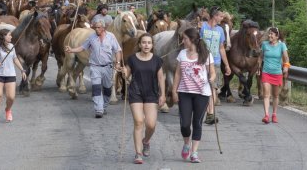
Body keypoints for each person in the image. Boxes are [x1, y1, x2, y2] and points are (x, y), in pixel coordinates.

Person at [172, 27, 216, 163]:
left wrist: (212, 78)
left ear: (191, 40)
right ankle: (186, 144)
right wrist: (174, 91)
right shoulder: (182, 54)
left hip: (202, 93)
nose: (182, 41)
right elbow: (178, 73)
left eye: (184, 38)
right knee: (185, 124)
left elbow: (212, 72)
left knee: (197, 122)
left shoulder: (206, 54)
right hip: (184, 92)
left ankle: (195, 152)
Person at [65, 20, 122, 118]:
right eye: (95, 27)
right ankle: (98, 110)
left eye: (99, 27)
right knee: (96, 88)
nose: (96, 29)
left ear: (103, 28)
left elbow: (117, 50)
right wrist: (71, 50)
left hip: (107, 67)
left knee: (107, 89)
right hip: (95, 67)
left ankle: (104, 106)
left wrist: (117, 63)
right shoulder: (91, 37)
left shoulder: (111, 37)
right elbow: (82, 47)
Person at [123, 33, 165, 164]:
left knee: (151, 125)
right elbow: (126, 76)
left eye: (149, 43)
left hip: (151, 94)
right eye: (144, 42)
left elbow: (160, 78)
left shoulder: (157, 60)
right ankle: (138, 153)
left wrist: (162, 94)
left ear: (152, 45)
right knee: (139, 121)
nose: (146, 45)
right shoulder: (132, 59)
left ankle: (146, 141)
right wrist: (122, 71)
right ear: (139, 45)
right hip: (135, 92)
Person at [200, 6, 231, 124]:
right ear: (215, 16)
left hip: (216, 63)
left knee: (213, 88)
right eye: (221, 16)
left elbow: (221, 48)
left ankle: (210, 114)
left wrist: (227, 65)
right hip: (202, 62)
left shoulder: (220, 30)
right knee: (201, 87)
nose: (222, 18)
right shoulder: (202, 27)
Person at [0, 29, 27, 125]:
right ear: (3, 37)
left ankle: (8, 110)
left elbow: (15, 59)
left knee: (11, 97)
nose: (11, 37)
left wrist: (22, 70)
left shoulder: (11, 47)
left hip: (10, 74)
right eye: (9, 35)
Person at [257, 27, 290, 124]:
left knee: (275, 95)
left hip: (277, 73)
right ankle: (266, 115)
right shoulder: (264, 45)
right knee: (266, 95)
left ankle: (274, 114)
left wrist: (286, 67)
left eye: (272, 34)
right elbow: (260, 57)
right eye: (269, 34)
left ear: (277, 36)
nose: (269, 36)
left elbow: (286, 59)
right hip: (266, 72)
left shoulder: (282, 45)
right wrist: (258, 68)